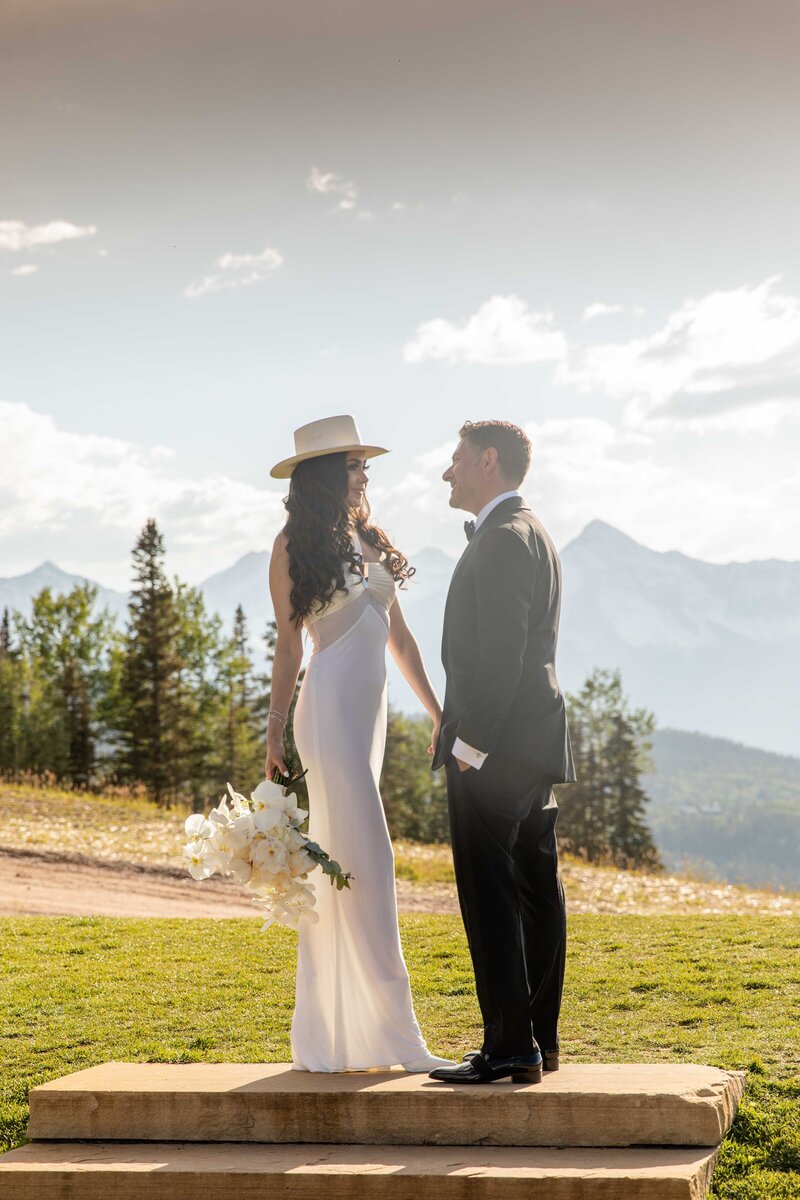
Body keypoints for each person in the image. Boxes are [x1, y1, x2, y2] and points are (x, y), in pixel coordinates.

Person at [266, 414, 453, 1073]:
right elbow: (289, 648)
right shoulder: (292, 545)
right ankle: (402, 1042)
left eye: (363, 464)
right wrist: (273, 732)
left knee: (347, 865)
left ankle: (345, 1037)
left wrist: (437, 712)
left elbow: (398, 639)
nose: (365, 473)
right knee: (368, 860)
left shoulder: (367, 536)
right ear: (323, 475)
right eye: (353, 464)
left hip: (365, 718)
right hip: (328, 714)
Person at [429, 419, 575, 1086]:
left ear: (488, 461)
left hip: (496, 750)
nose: (447, 471)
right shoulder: (533, 532)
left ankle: (510, 1046)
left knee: (491, 897)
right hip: (532, 745)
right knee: (536, 891)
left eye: (455, 459)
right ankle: (536, 1042)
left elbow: (502, 655)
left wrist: (469, 745)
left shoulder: (502, 540)